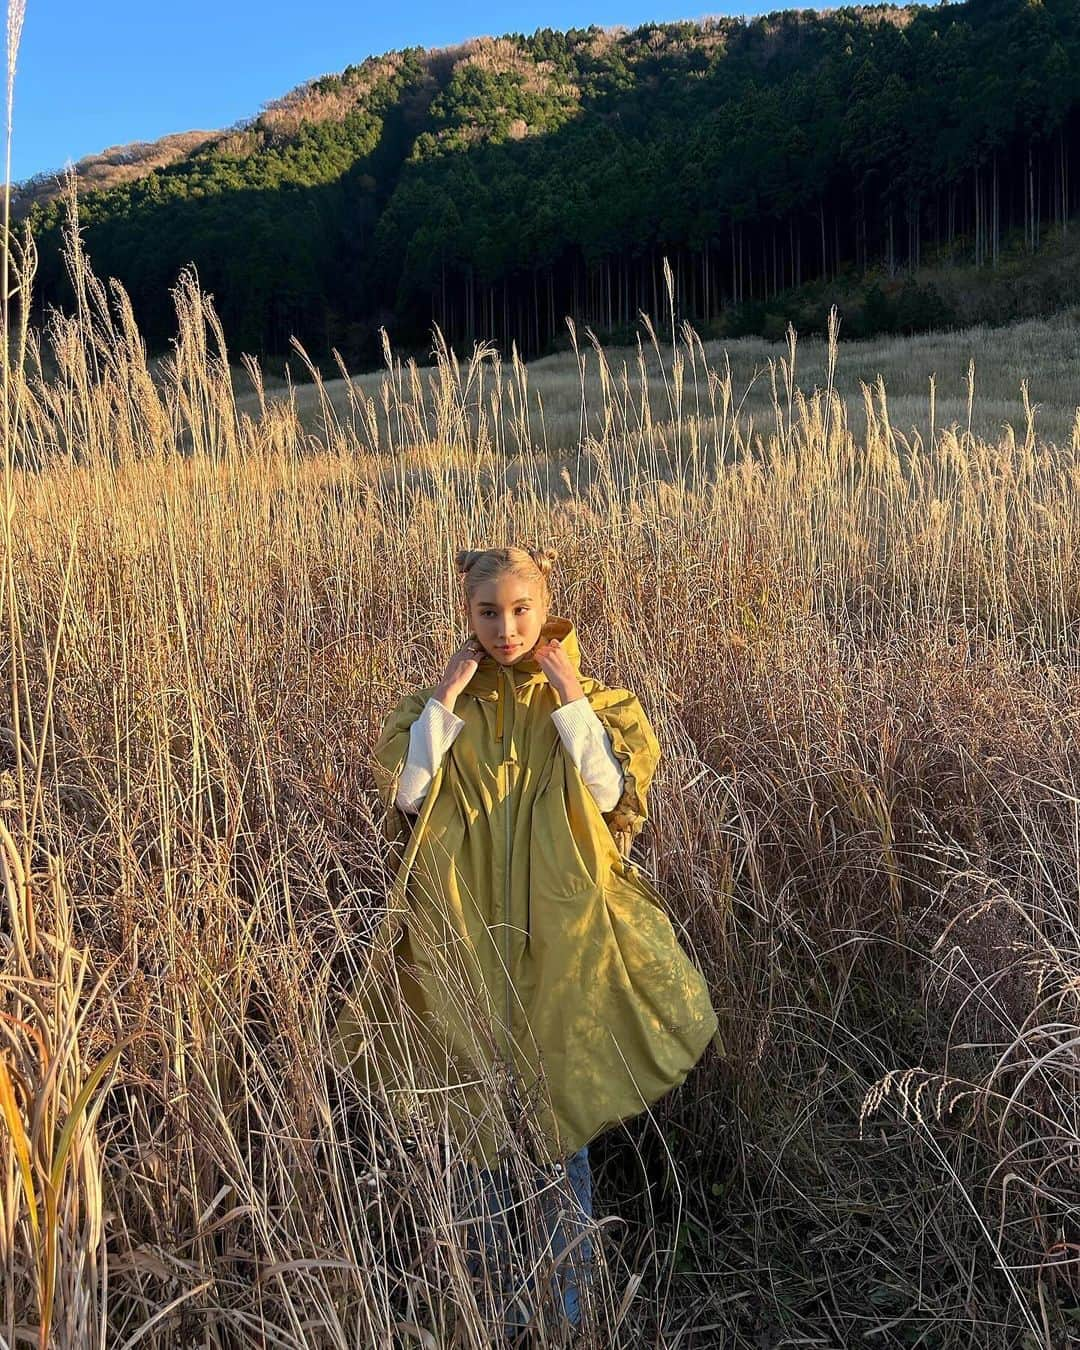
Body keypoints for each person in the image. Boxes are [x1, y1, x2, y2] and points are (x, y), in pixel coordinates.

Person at [330, 545, 721, 1340]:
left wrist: (570, 697)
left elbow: (613, 796)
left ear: (547, 610)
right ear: (464, 615)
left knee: (555, 1113)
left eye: (520, 610)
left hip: (562, 932)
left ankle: (568, 1318)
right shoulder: (437, 708)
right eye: (487, 612)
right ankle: (486, 1315)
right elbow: (405, 798)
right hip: (463, 930)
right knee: (473, 1128)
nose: (505, 628)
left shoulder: (602, 704)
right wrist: (444, 696)